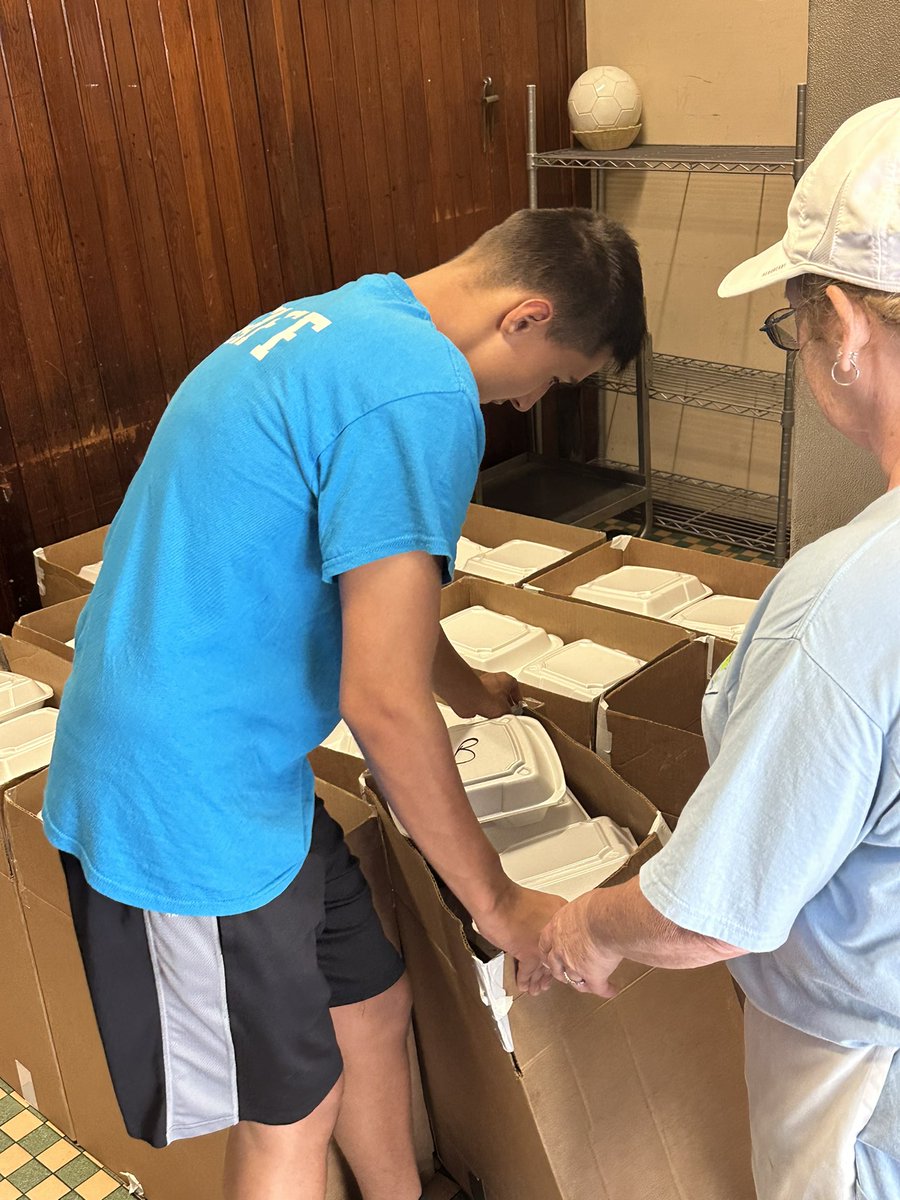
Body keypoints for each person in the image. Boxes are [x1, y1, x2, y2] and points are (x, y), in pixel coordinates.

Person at [42, 207, 646, 1200]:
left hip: (249, 771)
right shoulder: (421, 395)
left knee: (370, 1003)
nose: (528, 401)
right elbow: (382, 699)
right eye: (552, 379)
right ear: (526, 317)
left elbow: (383, 611)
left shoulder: (352, 323)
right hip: (183, 798)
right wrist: (497, 905)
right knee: (291, 1117)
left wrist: (476, 692)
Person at [539, 99, 900, 1200]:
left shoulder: (846, 602)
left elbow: (710, 913)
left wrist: (584, 930)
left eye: (791, 328)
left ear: (841, 323)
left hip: (862, 1061)